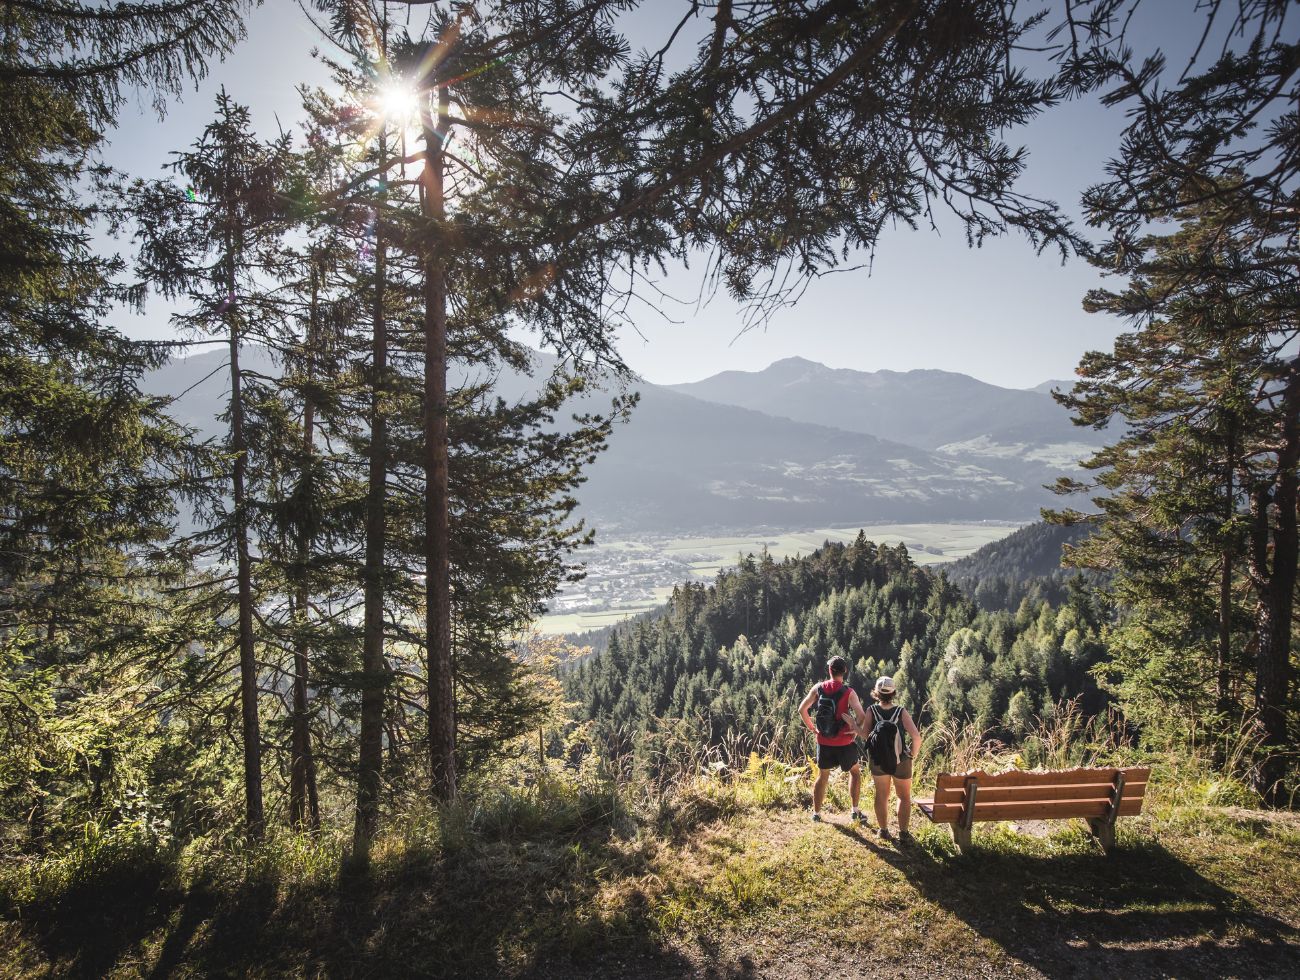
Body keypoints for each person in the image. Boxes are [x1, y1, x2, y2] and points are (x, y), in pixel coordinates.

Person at [848, 675, 922, 841]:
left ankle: (883, 830)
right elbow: (916, 737)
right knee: (903, 796)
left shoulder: (871, 711)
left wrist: (854, 725)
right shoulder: (901, 711)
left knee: (881, 795)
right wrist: (912, 755)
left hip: (878, 760)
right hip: (901, 760)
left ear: (876, 692)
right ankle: (903, 833)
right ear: (893, 692)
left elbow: (866, 736)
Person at [798, 656, 867, 824]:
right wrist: (854, 730)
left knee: (822, 777)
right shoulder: (849, 692)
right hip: (844, 741)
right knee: (855, 772)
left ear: (829, 670)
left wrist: (812, 728)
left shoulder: (818, 688)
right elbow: (861, 715)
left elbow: (802, 709)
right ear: (845, 672)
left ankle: (816, 813)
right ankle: (855, 811)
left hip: (824, 740)